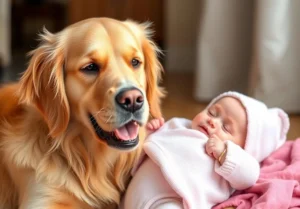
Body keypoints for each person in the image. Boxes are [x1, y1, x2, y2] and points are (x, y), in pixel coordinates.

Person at [121, 91, 290, 209]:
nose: (212, 122)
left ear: (244, 148)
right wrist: (152, 131)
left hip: (174, 200)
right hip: (133, 193)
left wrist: (225, 153)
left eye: (226, 127)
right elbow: (146, 146)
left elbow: (250, 176)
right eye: (212, 112)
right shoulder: (180, 124)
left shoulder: (232, 156)